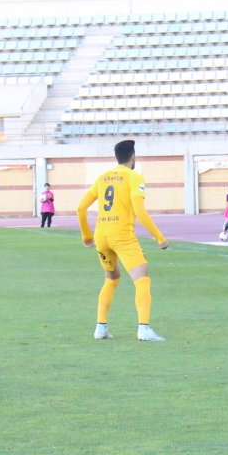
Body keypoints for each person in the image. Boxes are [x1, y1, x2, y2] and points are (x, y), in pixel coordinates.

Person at [78, 140, 169, 342]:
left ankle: (100, 328)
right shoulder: (134, 177)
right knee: (142, 279)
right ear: (133, 157)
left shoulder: (103, 178)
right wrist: (159, 237)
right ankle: (143, 328)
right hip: (122, 236)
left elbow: (81, 208)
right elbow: (140, 211)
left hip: (101, 236)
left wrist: (86, 234)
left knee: (111, 279)